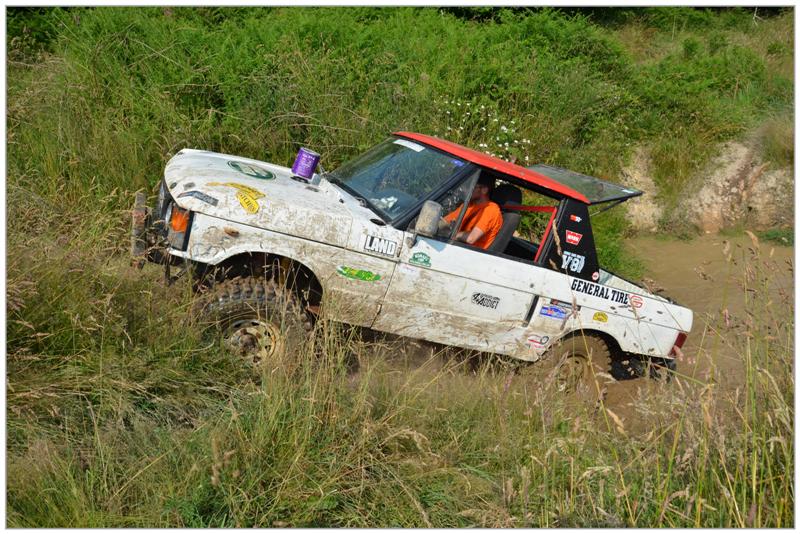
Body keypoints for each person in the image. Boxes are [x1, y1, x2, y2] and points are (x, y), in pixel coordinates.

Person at [443, 174, 503, 250]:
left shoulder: (491, 210)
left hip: (470, 255)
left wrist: (452, 234)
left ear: (484, 190)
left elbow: (471, 238)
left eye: (470, 186)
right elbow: (444, 222)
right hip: (455, 246)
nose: (465, 190)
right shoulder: (468, 205)